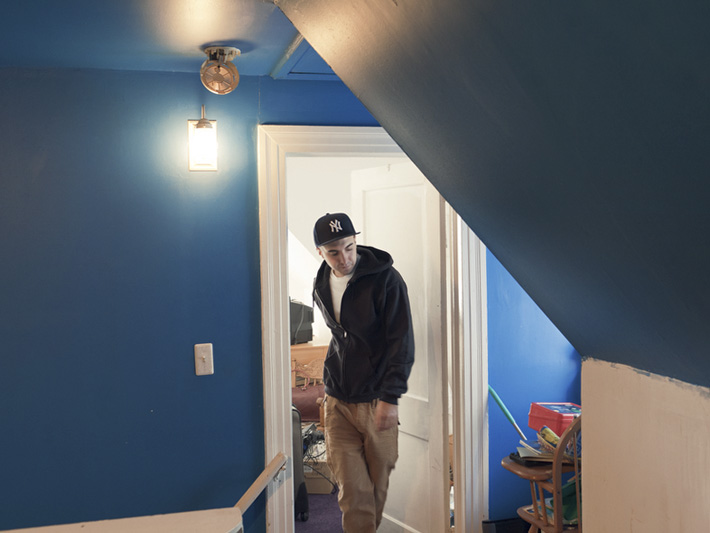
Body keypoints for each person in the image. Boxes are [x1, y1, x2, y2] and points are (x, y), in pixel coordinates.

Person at [311, 212, 414, 532]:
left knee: (376, 491)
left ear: (356, 240)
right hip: (337, 400)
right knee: (353, 493)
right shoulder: (321, 282)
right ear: (320, 252)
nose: (344, 258)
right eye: (333, 252)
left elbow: (401, 342)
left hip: (376, 402)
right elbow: (341, 336)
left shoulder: (387, 280)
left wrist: (390, 397)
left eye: (349, 247)